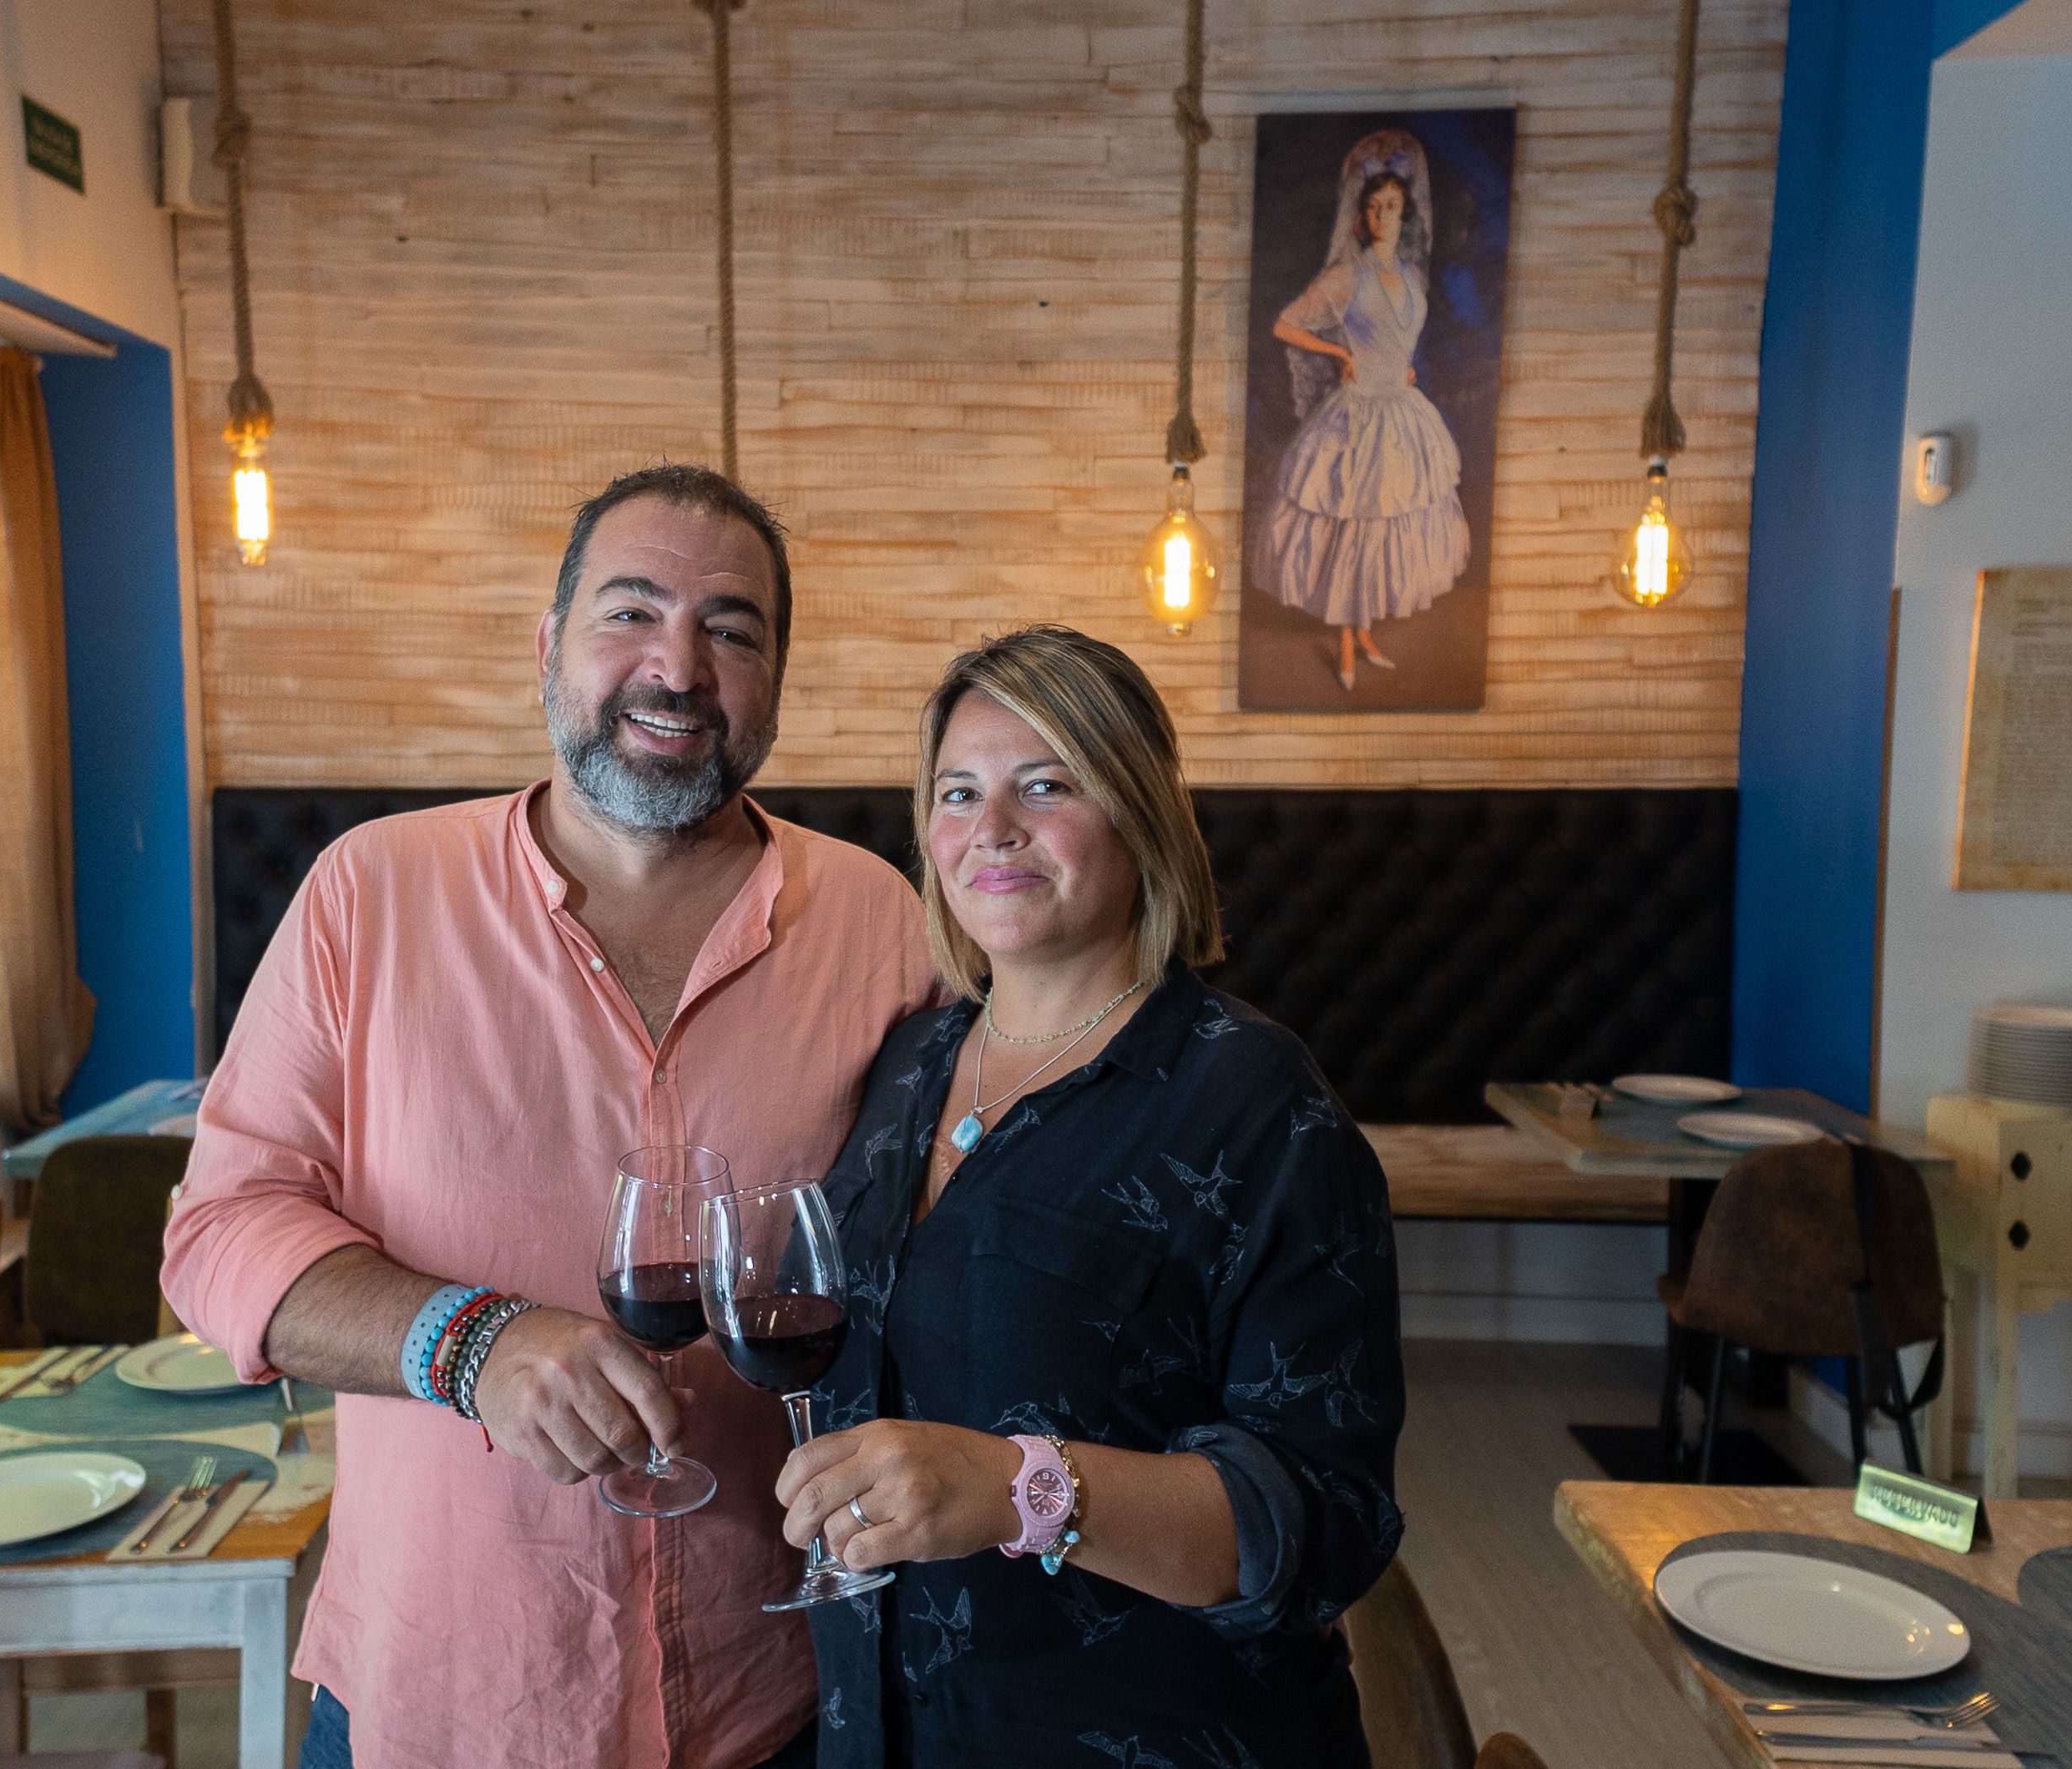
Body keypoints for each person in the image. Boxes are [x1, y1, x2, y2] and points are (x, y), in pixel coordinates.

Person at [161, 464, 939, 1769]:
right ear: (548, 646)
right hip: (449, 1693)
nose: (677, 667)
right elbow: (217, 1236)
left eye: (730, 629)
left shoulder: (885, 923)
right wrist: (470, 1343)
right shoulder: (369, 894)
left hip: (783, 1690)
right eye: (628, 613)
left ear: (774, 679)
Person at [774, 624, 1406, 1766]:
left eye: (1045, 783)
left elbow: (1324, 1521)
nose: (991, 828)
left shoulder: (1255, 1101)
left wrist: (1020, 1485)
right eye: (957, 790)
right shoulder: (906, 1061)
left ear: (1138, 811)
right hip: (880, 1723)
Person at [1262, 129, 1471, 691]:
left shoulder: (1407, 277)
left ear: (1405, 212)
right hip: (1357, 416)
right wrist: (1337, 351)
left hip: (1401, 409)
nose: (1384, 214)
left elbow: (1401, 335)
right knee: (1355, 524)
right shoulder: (1346, 277)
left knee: (1389, 522)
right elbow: (1285, 323)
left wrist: (1400, 366)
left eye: (1393, 206)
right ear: (1362, 215)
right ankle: (1348, 646)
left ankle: (1367, 632)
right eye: (1375, 206)